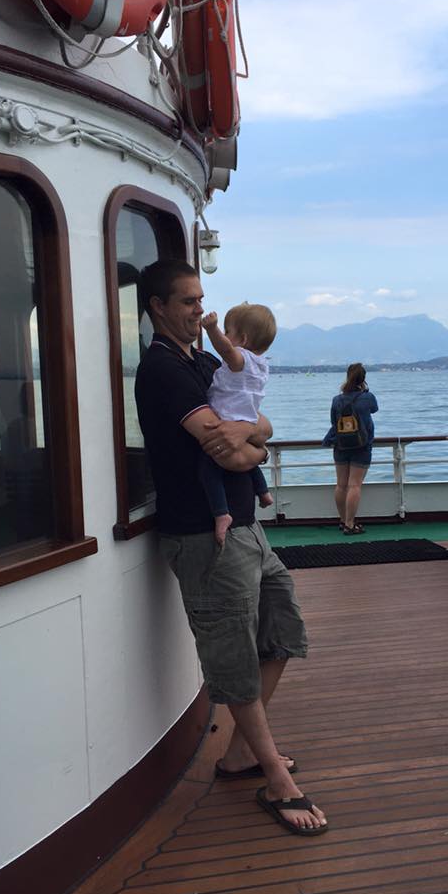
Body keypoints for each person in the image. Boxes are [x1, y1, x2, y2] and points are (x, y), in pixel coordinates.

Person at [134, 259, 328, 836]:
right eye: (188, 301)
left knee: (280, 629)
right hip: (205, 537)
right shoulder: (164, 371)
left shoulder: (205, 362)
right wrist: (253, 442)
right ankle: (276, 779)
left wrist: (251, 434)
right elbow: (227, 449)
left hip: (246, 529)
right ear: (158, 308)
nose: (199, 309)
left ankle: (243, 751)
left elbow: (255, 421)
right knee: (236, 658)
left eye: (201, 299)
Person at [199, 304, 275, 545]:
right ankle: (263, 492)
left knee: (208, 467)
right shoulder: (262, 364)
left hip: (228, 417)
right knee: (251, 464)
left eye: (227, 330)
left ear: (242, 339)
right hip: (248, 418)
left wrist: (210, 329)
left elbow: (224, 349)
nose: (224, 335)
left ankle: (221, 514)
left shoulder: (240, 360)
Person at [322, 363, 378, 535]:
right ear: (363, 378)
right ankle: (350, 524)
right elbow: (374, 410)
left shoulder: (337, 399)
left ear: (348, 376)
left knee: (341, 485)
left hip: (341, 445)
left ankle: (342, 520)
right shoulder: (367, 397)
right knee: (354, 485)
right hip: (361, 445)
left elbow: (333, 421)